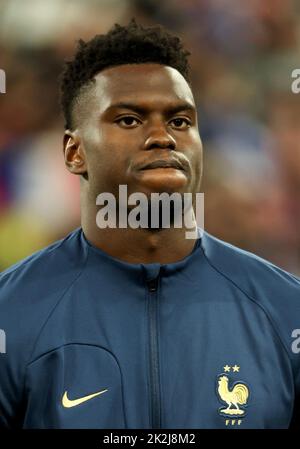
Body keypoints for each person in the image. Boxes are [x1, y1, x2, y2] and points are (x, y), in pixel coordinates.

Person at [0, 20, 299, 429]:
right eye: (129, 119)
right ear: (74, 152)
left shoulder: (285, 309)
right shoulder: (10, 315)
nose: (163, 137)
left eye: (180, 121)